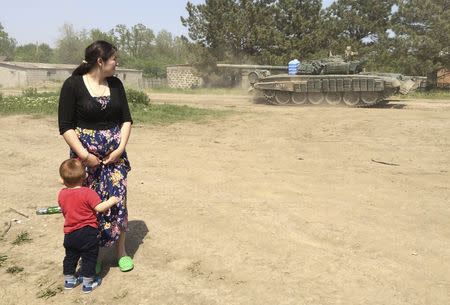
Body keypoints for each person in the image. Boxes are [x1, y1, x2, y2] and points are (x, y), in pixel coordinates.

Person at [58, 40, 134, 273]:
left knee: (118, 200)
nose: (117, 62)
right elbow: (66, 126)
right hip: (85, 160)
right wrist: (84, 155)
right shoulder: (73, 85)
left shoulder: (116, 85)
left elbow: (126, 119)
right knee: (90, 205)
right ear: (100, 61)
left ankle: (121, 251)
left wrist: (120, 148)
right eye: (114, 59)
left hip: (114, 158)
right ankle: (95, 253)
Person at [58, 158, 119, 293]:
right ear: (85, 176)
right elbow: (100, 208)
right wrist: (112, 200)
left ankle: (69, 280)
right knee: (89, 258)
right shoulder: (88, 193)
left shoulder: (62, 194)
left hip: (70, 233)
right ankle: (87, 283)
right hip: (87, 232)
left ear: (62, 180)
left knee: (70, 256)